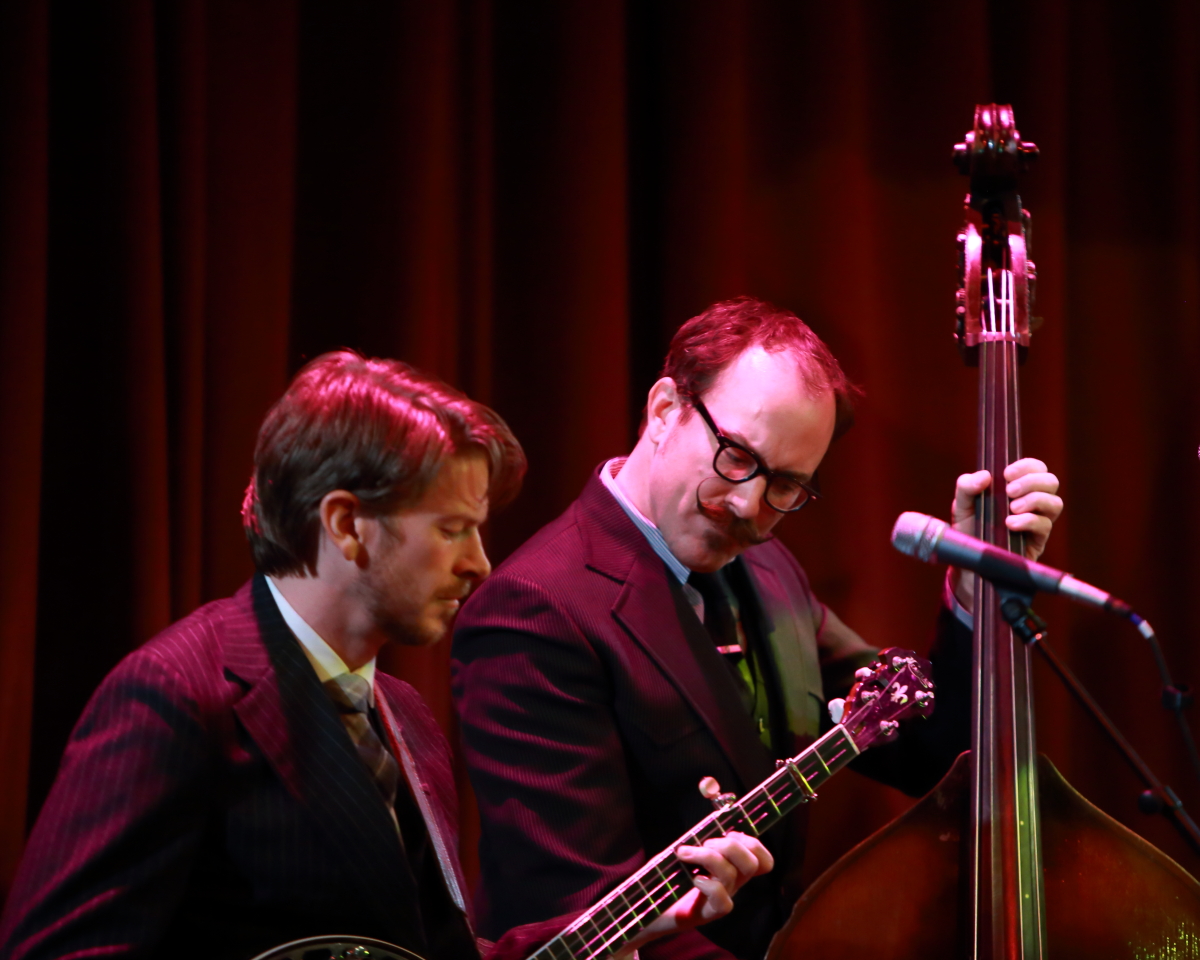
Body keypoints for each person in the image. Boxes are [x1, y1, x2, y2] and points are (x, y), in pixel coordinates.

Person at [0, 352, 772, 960]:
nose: (478, 564)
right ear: (347, 525)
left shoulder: (404, 715)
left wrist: (632, 922)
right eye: (452, 530)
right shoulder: (176, 695)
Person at [451, 297, 1063, 960]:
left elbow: (927, 755)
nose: (749, 505)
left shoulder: (768, 568)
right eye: (737, 455)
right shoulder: (536, 609)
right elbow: (583, 916)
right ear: (664, 410)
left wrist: (975, 588)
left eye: (786, 485)